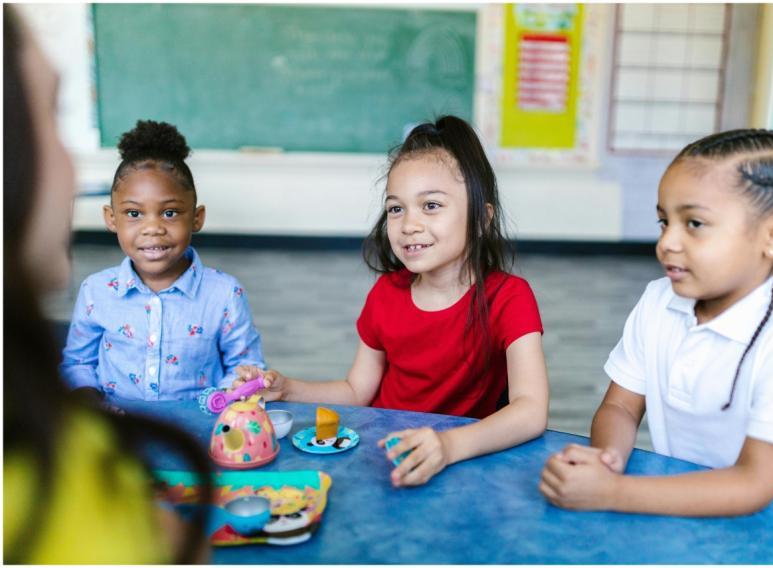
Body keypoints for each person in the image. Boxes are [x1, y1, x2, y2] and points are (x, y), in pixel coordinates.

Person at [540, 129, 773, 515]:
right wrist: (605, 461)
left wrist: (612, 492)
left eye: (694, 224)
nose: (667, 242)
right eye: (663, 222)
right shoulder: (659, 301)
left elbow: (754, 484)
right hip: (689, 514)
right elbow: (620, 406)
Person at [235, 115, 549, 486]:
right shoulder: (385, 295)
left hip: (461, 462)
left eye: (430, 206)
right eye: (396, 208)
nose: (408, 224)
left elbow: (530, 410)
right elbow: (356, 391)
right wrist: (288, 389)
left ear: (482, 217)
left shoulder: (509, 298)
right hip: (384, 455)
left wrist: (448, 446)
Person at [3, 7, 211, 562]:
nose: (70, 165)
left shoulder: (52, 429)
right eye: (49, 115)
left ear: (196, 217)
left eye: (169, 213)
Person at [60, 119, 266, 401]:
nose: (152, 228)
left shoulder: (225, 294)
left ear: (197, 218)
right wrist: (91, 402)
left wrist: (229, 396)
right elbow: (78, 364)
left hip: (199, 433)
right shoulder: (95, 291)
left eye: (169, 213)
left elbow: (247, 369)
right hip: (122, 431)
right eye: (134, 213)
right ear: (111, 219)